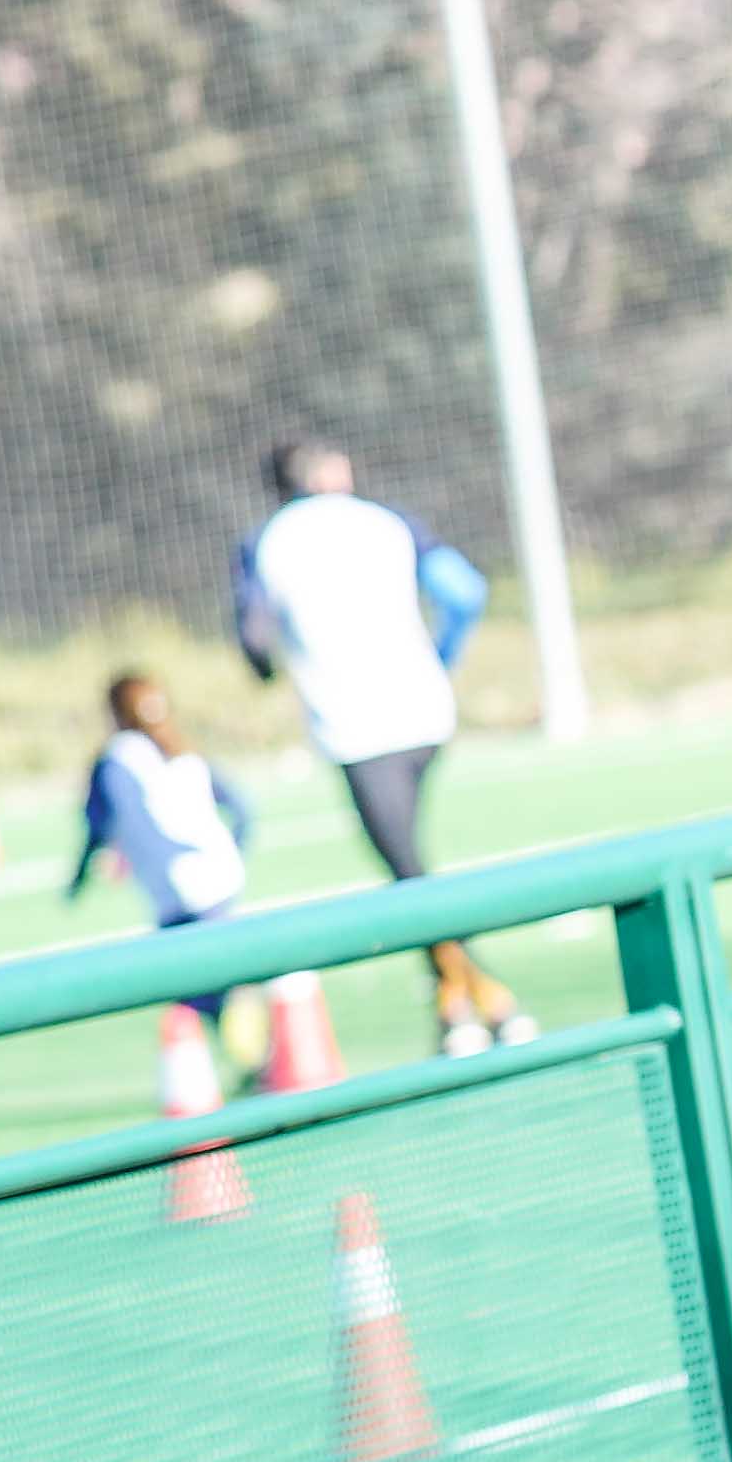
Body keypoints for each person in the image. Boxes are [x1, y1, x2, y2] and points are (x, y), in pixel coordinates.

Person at [233, 441, 521, 1052]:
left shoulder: (268, 541)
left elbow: (254, 640)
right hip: (425, 714)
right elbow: (464, 592)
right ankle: (461, 1004)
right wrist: (443, 658)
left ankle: (485, 1002)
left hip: (355, 728)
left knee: (409, 874)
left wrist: (267, 667)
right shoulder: (388, 521)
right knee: (410, 867)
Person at [67, 673, 256, 1019]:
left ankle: (250, 1046)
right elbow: (243, 811)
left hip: (176, 892)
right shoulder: (184, 748)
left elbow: (102, 825)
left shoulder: (115, 761)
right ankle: (249, 1031)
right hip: (223, 881)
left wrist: (78, 881)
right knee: (216, 982)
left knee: (192, 993)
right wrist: (230, 857)